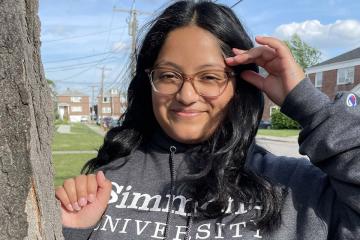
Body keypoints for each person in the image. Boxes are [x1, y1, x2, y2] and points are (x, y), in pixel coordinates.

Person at [56, 1, 360, 239]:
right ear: (148, 81)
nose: (187, 95)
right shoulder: (105, 184)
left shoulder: (295, 188)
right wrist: (73, 230)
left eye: (210, 77)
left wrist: (307, 103)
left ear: (239, 86)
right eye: (169, 75)